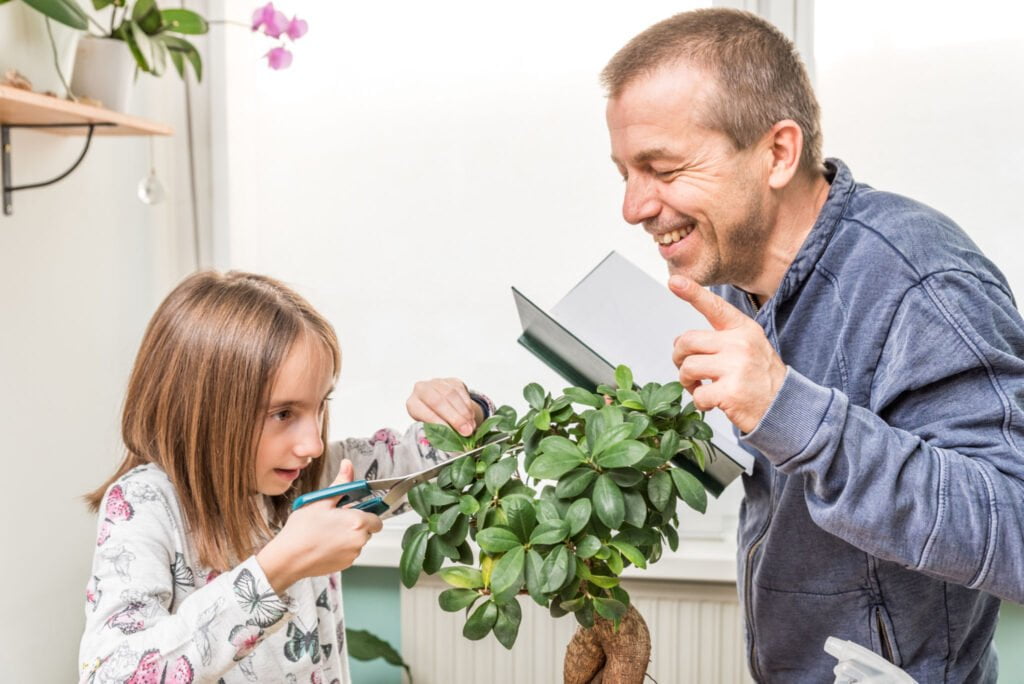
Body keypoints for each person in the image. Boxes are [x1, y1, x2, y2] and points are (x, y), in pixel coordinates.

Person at [425, 8, 1024, 683]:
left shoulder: (921, 282)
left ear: (777, 152)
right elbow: (703, 449)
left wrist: (792, 410)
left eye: (664, 168)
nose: (633, 207)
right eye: (625, 172)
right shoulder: (735, 281)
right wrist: (482, 427)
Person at [78, 271, 488, 684]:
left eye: (319, 405)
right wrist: (278, 567)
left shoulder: (318, 478)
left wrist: (462, 408)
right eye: (283, 414)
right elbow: (113, 674)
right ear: (203, 411)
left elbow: (443, 457)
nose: (312, 444)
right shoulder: (145, 504)